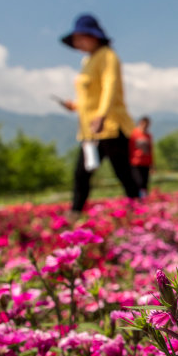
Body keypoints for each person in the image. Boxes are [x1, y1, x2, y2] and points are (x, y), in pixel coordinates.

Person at [57, 14, 139, 216]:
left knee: (123, 172)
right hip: (90, 130)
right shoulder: (88, 61)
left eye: (80, 38)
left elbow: (109, 87)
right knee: (82, 173)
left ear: (93, 36)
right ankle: (75, 211)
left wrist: (101, 115)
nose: (77, 44)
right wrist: (74, 106)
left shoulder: (107, 56)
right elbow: (89, 98)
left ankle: (137, 207)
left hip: (110, 126)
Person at [130, 116, 154, 198]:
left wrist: (152, 164)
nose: (145, 126)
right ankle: (138, 197)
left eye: (147, 124)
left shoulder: (148, 136)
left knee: (145, 182)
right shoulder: (134, 134)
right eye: (144, 124)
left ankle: (144, 198)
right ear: (140, 123)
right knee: (138, 181)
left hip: (146, 162)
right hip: (135, 162)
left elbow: (151, 150)